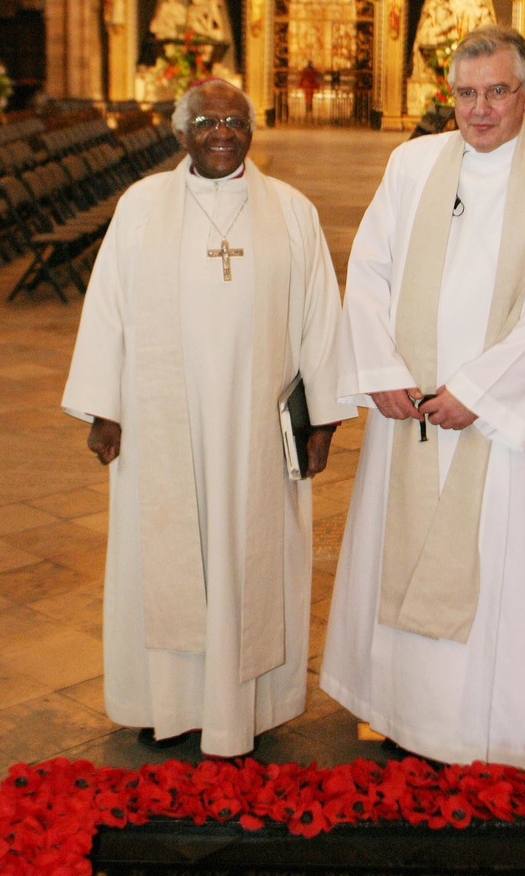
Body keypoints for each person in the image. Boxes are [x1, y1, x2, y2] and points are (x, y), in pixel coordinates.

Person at [320, 26, 525, 767]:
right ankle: (402, 712)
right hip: (408, 408)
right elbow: (371, 267)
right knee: (402, 549)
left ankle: (495, 729)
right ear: (451, 94)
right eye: (467, 93)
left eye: (497, 92)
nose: (480, 110)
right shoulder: (412, 166)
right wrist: (380, 365)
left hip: (501, 429)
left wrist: (476, 392)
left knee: (498, 565)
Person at [62, 79, 354, 757]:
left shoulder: (292, 211)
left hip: (258, 429)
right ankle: (164, 702)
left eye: (235, 120)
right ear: (181, 133)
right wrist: (103, 408)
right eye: (207, 121)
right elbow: (107, 308)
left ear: (253, 131)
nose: (222, 132)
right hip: (161, 419)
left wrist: (324, 422)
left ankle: (246, 706)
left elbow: (321, 320)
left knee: (251, 555)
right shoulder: (141, 208)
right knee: (165, 558)